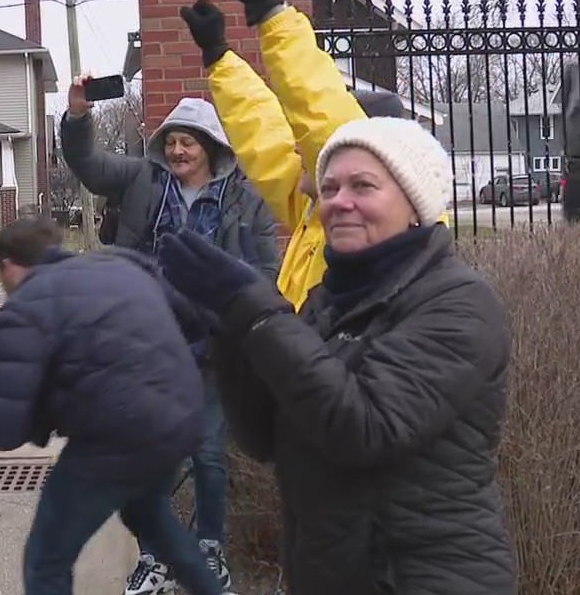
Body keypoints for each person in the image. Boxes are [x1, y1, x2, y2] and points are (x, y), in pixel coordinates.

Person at [155, 115, 517, 595]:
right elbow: (266, 436)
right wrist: (227, 328)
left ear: (415, 205)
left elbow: (364, 427)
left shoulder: (457, 303)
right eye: (328, 188)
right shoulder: (330, 300)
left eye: (363, 186)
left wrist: (255, 309)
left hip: (424, 578)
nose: (340, 202)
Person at [59, 81, 281, 594]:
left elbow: (265, 270)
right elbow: (89, 164)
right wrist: (76, 117)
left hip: (214, 347)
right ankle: (156, 556)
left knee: (206, 452)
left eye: (190, 142)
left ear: (212, 148)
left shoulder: (245, 199)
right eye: (173, 141)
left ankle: (208, 551)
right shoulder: (143, 179)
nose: (179, 150)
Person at [0, 216, 231, 595]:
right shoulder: (119, 264)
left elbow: (0, 428)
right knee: (150, 515)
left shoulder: (24, 307)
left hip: (115, 437)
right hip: (179, 418)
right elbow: (194, 319)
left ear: (7, 264)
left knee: (46, 559)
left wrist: (41, 418)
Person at [179, 0, 429, 313]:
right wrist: (220, 58)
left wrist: (270, 13)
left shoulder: (366, 224)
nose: (302, 150)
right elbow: (267, 141)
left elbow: (321, 111)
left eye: (316, 150)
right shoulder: (317, 213)